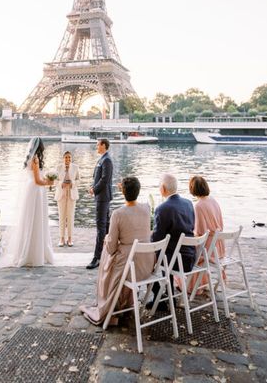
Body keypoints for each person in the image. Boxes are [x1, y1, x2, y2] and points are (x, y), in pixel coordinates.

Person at [80, 176, 154, 325]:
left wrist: (107, 239)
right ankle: (126, 302)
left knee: (107, 254)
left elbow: (112, 247)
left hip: (130, 267)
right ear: (138, 191)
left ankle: (111, 305)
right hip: (147, 265)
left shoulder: (118, 213)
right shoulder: (147, 208)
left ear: (123, 192)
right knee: (116, 253)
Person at [0, 137, 55, 269]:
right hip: (35, 190)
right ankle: (33, 252)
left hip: (34, 191)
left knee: (32, 220)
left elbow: (37, 178)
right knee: (34, 219)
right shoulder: (35, 159)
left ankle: (31, 250)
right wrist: (49, 182)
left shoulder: (32, 158)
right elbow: (37, 180)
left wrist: (45, 180)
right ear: (40, 147)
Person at [150, 173, 195, 310]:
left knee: (149, 257)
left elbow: (156, 240)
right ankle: (167, 295)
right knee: (167, 251)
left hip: (175, 261)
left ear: (163, 189)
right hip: (191, 257)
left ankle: (162, 296)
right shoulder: (188, 203)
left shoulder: (162, 209)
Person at [187, 174, 225, 293]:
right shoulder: (213, 200)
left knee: (187, 251)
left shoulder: (198, 206)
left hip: (209, 248)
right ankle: (200, 282)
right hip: (219, 245)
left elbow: (200, 232)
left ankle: (193, 287)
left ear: (192, 189)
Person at [86, 138, 113, 270]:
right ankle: (109, 252)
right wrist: (92, 187)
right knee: (106, 225)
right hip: (101, 196)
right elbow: (97, 177)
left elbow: (104, 179)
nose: (96, 146)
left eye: (98, 145)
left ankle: (97, 257)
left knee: (100, 226)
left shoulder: (106, 159)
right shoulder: (102, 158)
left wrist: (94, 189)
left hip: (103, 197)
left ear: (103, 145)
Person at [55, 151, 80, 247]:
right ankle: (61, 238)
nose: (68, 159)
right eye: (66, 157)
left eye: (69, 157)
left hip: (71, 194)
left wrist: (72, 183)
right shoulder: (58, 167)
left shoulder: (75, 167)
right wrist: (61, 183)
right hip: (61, 194)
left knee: (70, 217)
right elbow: (55, 180)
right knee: (61, 217)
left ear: (71, 158)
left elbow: (79, 180)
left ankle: (70, 238)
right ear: (63, 158)